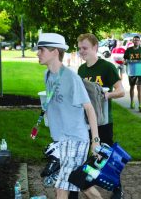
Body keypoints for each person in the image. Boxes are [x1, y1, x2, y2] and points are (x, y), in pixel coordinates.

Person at [36, 33, 102, 199]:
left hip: (76, 139)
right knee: (82, 184)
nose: (38, 53)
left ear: (55, 52)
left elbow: (89, 109)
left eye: (41, 50)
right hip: (61, 140)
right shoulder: (48, 75)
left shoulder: (71, 77)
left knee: (61, 189)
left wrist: (95, 141)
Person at [77, 33, 125, 199]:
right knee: (88, 158)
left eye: (85, 48)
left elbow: (121, 91)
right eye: (80, 48)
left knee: (106, 159)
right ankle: (87, 187)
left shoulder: (106, 67)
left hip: (104, 121)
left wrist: (106, 95)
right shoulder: (81, 70)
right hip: (86, 122)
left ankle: (117, 188)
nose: (81, 51)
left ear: (95, 48)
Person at [123, 35, 141, 112]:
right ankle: (132, 102)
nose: (136, 41)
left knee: (139, 87)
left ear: (140, 41)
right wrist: (126, 62)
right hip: (132, 71)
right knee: (132, 87)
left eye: (137, 40)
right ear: (133, 41)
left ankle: (140, 105)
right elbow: (124, 60)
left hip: (140, 70)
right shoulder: (129, 50)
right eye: (135, 40)